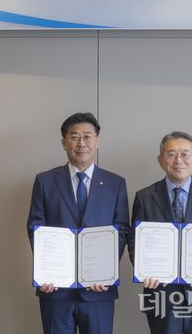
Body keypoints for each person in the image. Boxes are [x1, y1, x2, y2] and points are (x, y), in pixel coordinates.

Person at [27, 112, 130, 334]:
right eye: (74, 137)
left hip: (99, 289)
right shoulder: (45, 181)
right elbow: (36, 227)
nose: (81, 143)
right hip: (55, 289)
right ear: (64, 142)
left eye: (87, 136)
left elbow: (121, 230)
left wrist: (106, 271)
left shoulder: (115, 183)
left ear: (97, 141)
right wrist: (46, 272)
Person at [129, 131, 192, 334]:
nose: (178, 160)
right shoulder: (145, 197)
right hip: (160, 294)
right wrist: (144, 270)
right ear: (160, 160)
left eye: (185, 154)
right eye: (171, 154)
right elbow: (134, 241)